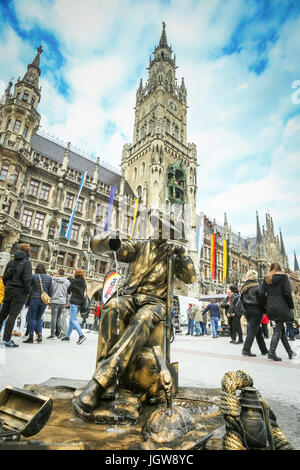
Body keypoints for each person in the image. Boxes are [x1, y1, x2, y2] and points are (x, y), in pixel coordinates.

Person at [75, 227, 196, 414]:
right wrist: (110, 240)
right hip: (131, 296)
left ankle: (101, 381)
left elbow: (190, 278)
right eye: (160, 227)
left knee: (143, 318)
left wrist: (183, 255)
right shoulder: (139, 245)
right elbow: (120, 250)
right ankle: (109, 384)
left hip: (155, 302)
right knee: (111, 308)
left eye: (167, 231)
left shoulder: (171, 255)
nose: (161, 232)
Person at [261, 263, 296, 361]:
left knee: (281, 330)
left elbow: (261, 293)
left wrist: (265, 305)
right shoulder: (284, 278)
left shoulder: (266, 278)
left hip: (271, 307)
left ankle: (290, 352)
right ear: (280, 268)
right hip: (282, 306)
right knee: (278, 329)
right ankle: (271, 352)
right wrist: (290, 305)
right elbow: (287, 293)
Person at [0, 244, 32, 348]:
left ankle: (5, 338)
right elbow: (27, 280)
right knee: (12, 315)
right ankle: (7, 339)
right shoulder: (26, 263)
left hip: (9, 290)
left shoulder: (11, 261)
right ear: (28, 252)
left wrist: (8, 286)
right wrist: (27, 292)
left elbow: (5, 277)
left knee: (2, 314)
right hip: (20, 292)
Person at [240, 270, 268, 357]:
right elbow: (262, 298)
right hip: (256, 310)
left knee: (257, 330)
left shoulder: (244, 287)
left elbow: (241, 300)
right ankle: (246, 349)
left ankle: (264, 350)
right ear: (255, 276)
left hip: (247, 311)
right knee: (252, 331)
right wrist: (265, 309)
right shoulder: (258, 286)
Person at [23, 263, 53, 344]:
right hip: (44, 300)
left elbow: (29, 287)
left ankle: (31, 337)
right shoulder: (49, 277)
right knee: (39, 318)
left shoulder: (34, 276)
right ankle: (39, 334)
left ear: (36, 269)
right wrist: (49, 301)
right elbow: (51, 291)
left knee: (32, 318)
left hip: (35, 298)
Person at [61, 269, 86, 344]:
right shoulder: (84, 282)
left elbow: (68, 290)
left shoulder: (74, 281)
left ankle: (81, 335)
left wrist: (72, 292)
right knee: (72, 321)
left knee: (74, 319)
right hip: (80, 303)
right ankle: (67, 337)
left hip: (74, 302)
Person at [48, 269, 70, 340]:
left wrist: (50, 298)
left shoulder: (53, 280)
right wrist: (67, 302)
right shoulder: (67, 282)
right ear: (63, 274)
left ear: (58, 273)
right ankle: (59, 332)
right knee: (59, 317)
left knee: (53, 318)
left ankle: (52, 334)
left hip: (54, 300)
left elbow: (50, 290)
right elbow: (68, 293)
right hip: (62, 302)